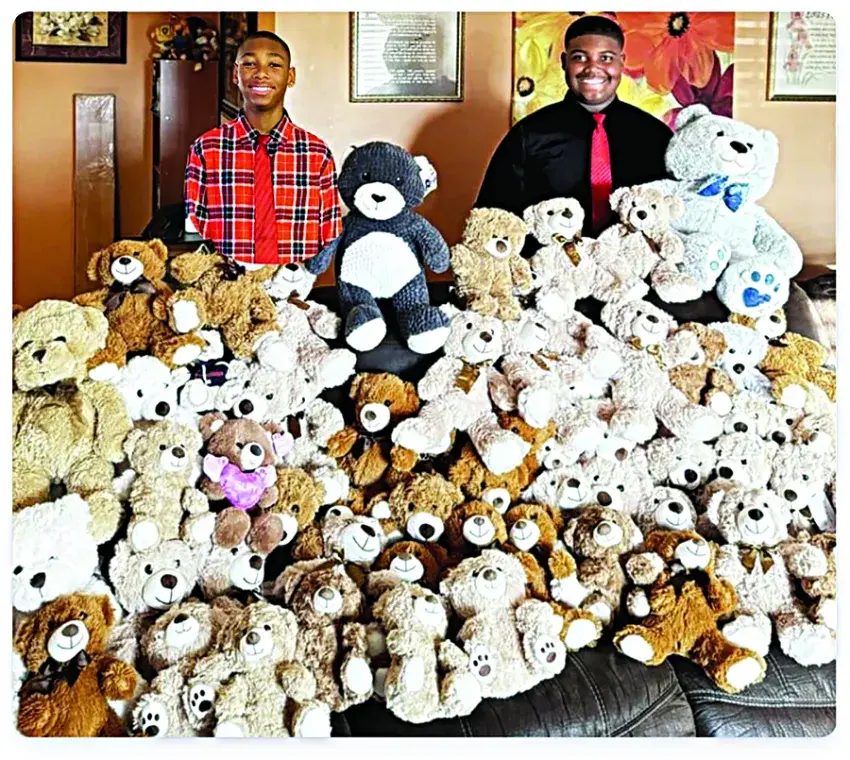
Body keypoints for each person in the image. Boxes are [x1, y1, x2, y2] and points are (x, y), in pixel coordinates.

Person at [475, 15, 673, 237]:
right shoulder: (527, 135)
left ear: (622, 62)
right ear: (564, 62)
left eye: (606, 58)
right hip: (549, 258)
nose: (592, 68)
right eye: (580, 57)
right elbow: (492, 218)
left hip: (636, 258)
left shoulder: (656, 136)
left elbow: (678, 215)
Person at [184, 31, 342, 265]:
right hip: (227, 280)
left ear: (290, 77)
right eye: (249, 64)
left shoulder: (317, 154)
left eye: (274, 65)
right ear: (235, 74)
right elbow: (195, 230)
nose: (261, 73)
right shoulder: (206, 149)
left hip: (294, 282)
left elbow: (330, 232)